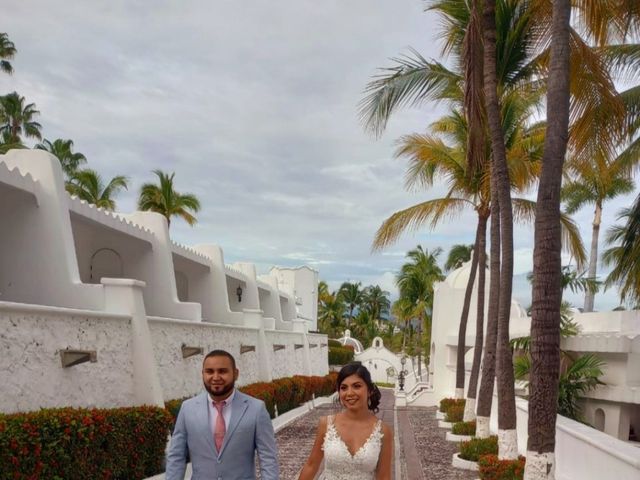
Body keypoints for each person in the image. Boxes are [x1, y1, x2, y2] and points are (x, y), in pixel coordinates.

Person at [165, 349, 279, 480]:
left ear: (235, 374)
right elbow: (176, 456)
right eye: (209, 371)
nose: (215, 377)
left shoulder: (256, 409)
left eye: (222, 371)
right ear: (202, 374)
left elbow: (268, 458)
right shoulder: (188, 409)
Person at [298, 362, 393, 480]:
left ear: (369, 390)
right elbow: (311, 465)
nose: (349, 393)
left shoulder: (383, 431)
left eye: (357, 386)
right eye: (343, 388)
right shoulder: (326, 424)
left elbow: (384, 477)